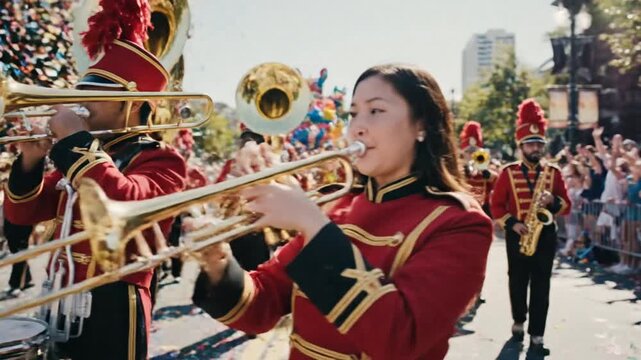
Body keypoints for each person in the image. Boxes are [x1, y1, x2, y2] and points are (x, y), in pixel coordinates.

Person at [192, 64, 493, 359]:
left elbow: (399, 340)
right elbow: (262, 306)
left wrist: (311, 222)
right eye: (353, 114)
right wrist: (217, 262)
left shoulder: (459, 223)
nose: (357, 126)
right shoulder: (341, 205)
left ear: (422, 125)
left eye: (376, 111)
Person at [3, 1, 186, 359]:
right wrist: (30, 159)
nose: (82, 104)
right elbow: (21, 217)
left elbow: (124, 198)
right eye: (79, 93)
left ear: (132, 103)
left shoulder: (161, 159)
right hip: (58, 295)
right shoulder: (83, 154)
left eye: (95, 96)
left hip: (114, 309)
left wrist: (74, 142)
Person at [490, 98, 571, 356]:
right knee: (517, 281)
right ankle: (518, 320)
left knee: (541, 285)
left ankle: (537, 334)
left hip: (545, 235)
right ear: (521, 146)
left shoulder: (554, 173)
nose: (536, 148)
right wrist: (512, 224)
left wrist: (554, 201)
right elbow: (496, 205)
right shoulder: (508, 172)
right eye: (531, 144)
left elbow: (567, 205)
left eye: (539, 144)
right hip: (519, 235)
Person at [460, 120, 497, 216]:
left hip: (482, 212)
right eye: (468, 151)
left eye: (474, 151)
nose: (471, 155)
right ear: (463, 153)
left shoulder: (486, 169)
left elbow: (497, 184)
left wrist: (485, 171)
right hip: (462, 212)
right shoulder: (457, 167)